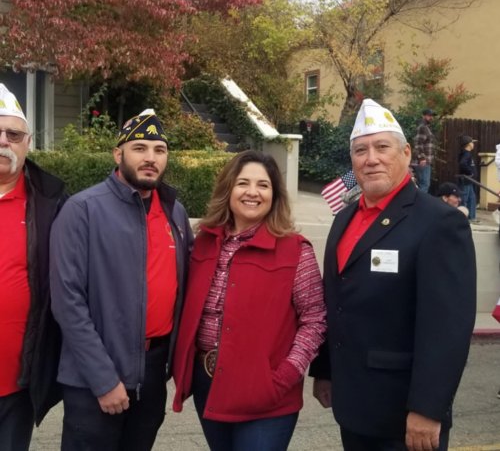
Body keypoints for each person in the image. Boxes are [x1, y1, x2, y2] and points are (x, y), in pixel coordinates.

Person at [310, 98, 476, 451]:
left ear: (406, 153)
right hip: (352, 406)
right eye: (360, 150)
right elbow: (335, 300)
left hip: (404, 417)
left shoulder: (440, 223)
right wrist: (325, 370)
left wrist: (428, 408)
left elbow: (447, 328)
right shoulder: (344, 219)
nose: (371, 158)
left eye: (382, 147)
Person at [50, 109, 193, 451]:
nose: (150, 158)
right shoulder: (82, 210)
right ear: (118, 154)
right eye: (140, 148)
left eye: (159, 150)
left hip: (153, 371)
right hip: (95, 375)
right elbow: (67, 302)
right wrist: (103, 379)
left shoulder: (175, 212)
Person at [172, 150, 326, 451]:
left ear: (275, 194)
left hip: (267, 393)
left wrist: (284, 377)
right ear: (229, 189)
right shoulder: (203, 242)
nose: (252, 192)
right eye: (243, 183)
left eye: (263, 185)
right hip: (209, 384)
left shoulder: (295, 250)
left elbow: (315, 319)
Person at [0, 83, 66, 450]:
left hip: (17, 382)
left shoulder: (52, 205)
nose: (4, 141)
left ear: (28, 143)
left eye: (14, 134)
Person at [413, 108, 437, 193]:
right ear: (423, 116)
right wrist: (422, 158)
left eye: (432, 116)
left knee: (422, 184)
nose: (431, 118)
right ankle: (420, 205)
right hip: (423, 161)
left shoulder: (426, 127)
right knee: (424, 184)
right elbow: (418, 143)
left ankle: (418, 204)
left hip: (425, 161)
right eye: (429, 115)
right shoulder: (422, 127)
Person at [458, 135, 479, 223]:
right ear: (468, 144)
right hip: (466, 179)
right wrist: (470, 172)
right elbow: (462, 164)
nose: (473, 144)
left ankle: (472, 217)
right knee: (464, 198)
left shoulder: (467, 154)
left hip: (469, 180)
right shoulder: (466, 154)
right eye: (472, 143)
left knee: (472, 198)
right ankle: (462, 217)